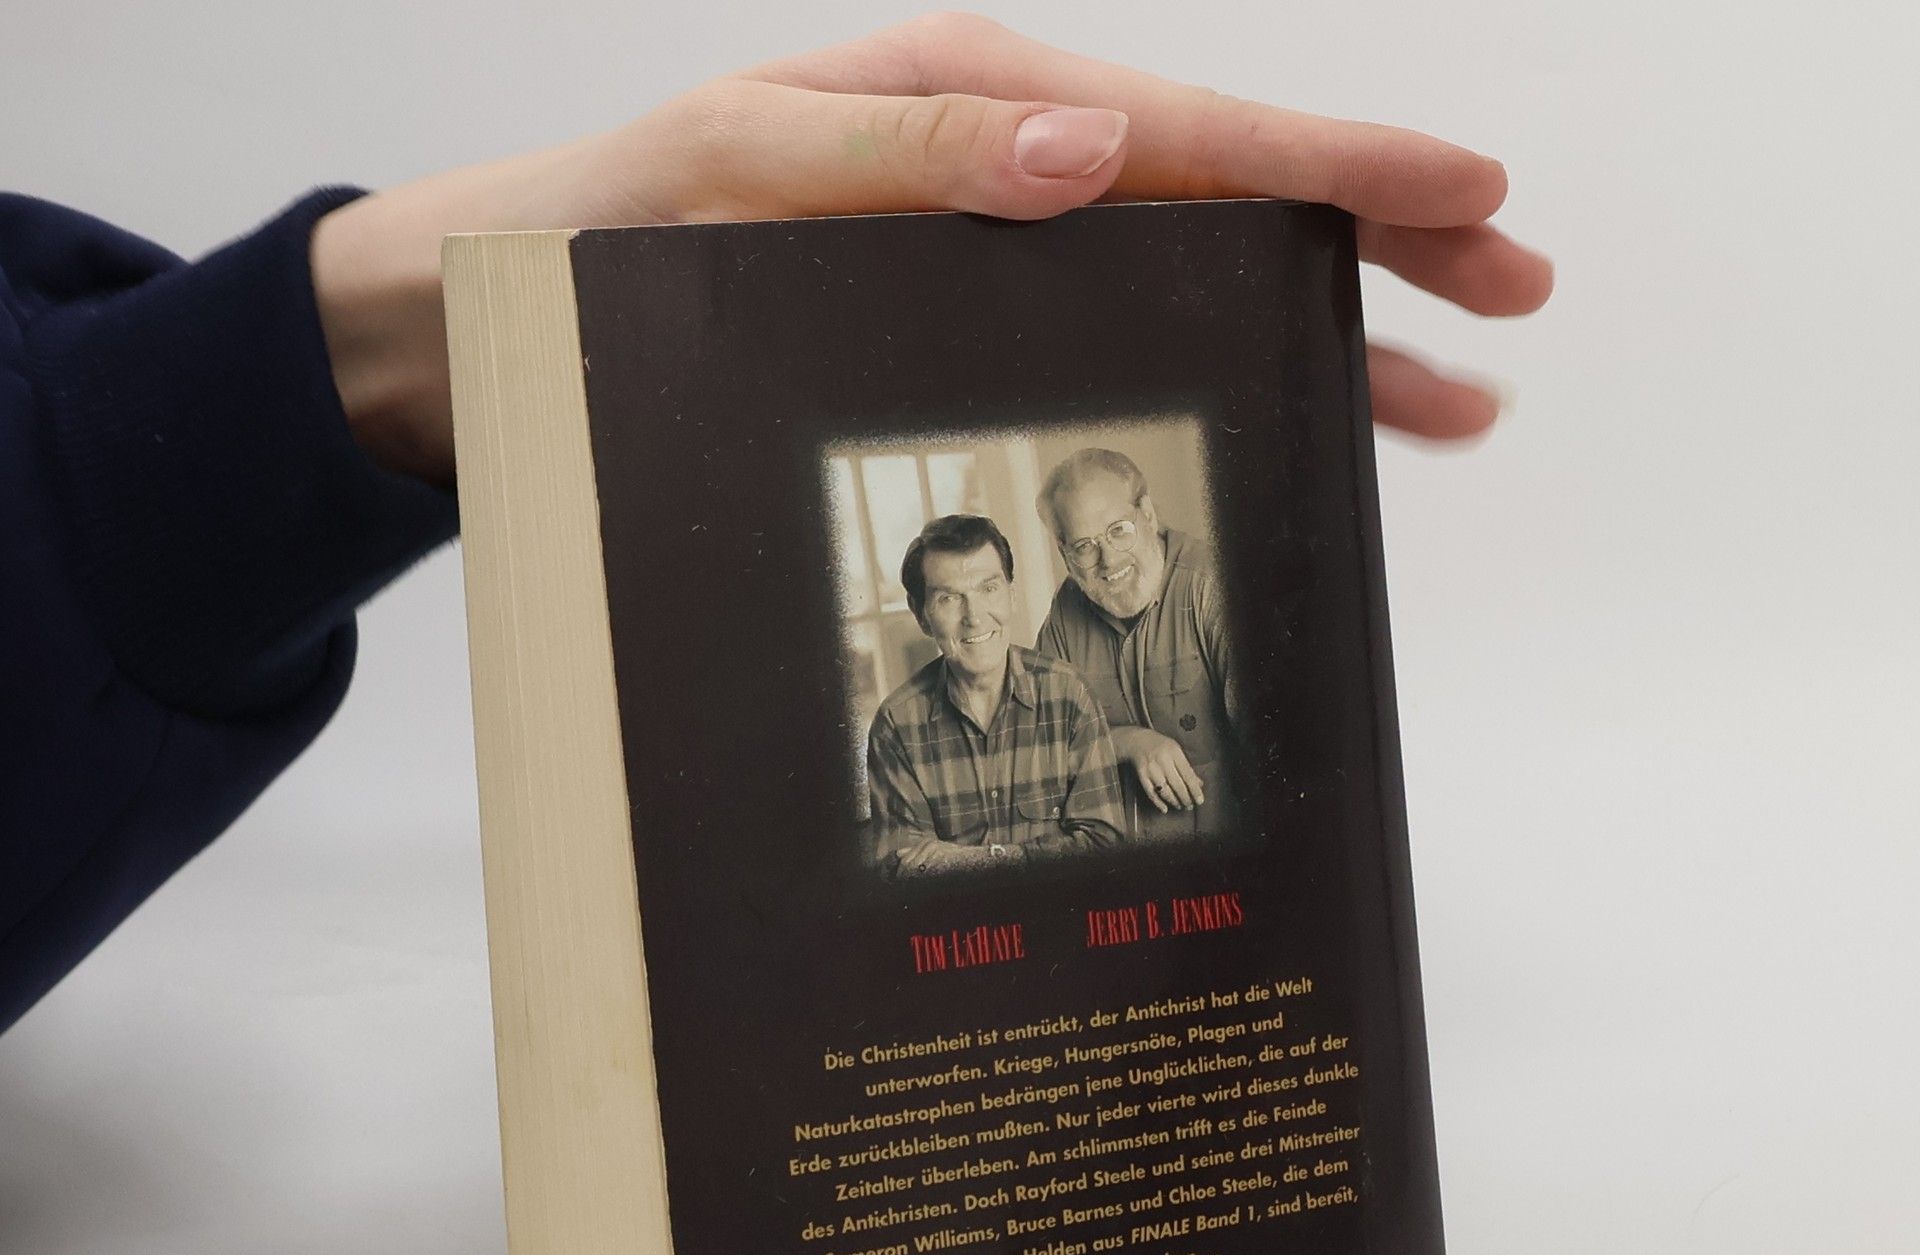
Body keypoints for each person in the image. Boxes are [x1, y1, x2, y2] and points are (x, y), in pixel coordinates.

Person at [0, 14, 1552, 1030]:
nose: (999, 611)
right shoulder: (909, 722)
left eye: (1035, 574)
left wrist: (334, 365)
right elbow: (912, 851)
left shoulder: (1107, 656)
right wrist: (342, 368)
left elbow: (1121, 816)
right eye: (967, 593)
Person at [867, 515, 1124, 877]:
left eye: (988, 589)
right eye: (949, 598)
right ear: (921, 615)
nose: (974, 617)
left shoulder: (1068, 695)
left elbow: (1104, 846)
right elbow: (905, 870)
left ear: (1011, 594)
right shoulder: (896, 725)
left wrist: (980, 859)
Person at [1035, 447, 1239, 843]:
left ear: (1147, 514)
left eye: (1118, 530)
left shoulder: (1213, 586)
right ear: (1064, 553)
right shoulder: (1064, 613)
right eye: (1084, 546)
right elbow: (1035, 749)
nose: (1108, 561)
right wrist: (1127, 742)